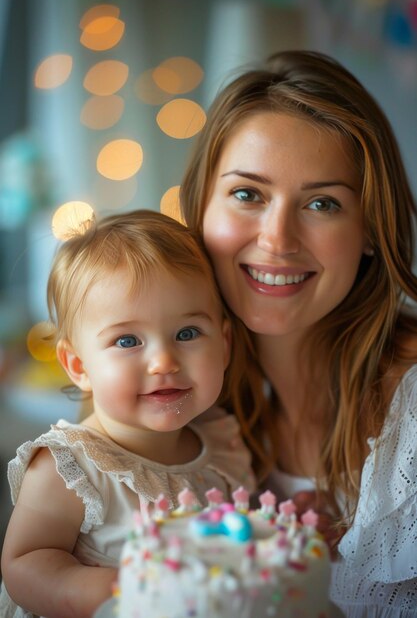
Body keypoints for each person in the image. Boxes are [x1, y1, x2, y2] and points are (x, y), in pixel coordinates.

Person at [179, 50, 417, 616]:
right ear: (201, 207)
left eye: (321, 203)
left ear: (368, 231)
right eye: (247, 194)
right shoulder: (191, 401)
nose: (277, 239)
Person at [0, 209, 255, 618]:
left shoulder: (223, 442)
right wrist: (123, 589)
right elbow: (24, 564)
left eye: (187, 333)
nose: (163, 361)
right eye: (128, 340)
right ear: (79, 366)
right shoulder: (70, 467)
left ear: (223, 345)